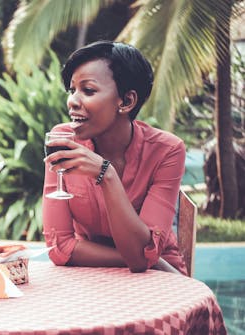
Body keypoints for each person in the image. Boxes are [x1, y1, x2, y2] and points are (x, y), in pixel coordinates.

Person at [42, 41, 188, 275]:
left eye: (88, 91)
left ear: (127, 101)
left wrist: (106, 175)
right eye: (72, 91)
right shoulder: (63, 141)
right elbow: (59, 248)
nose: (72, 101)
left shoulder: (166, 151)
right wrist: (142, 258)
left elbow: (142, 261)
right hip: (90, 274)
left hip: (157, 279)